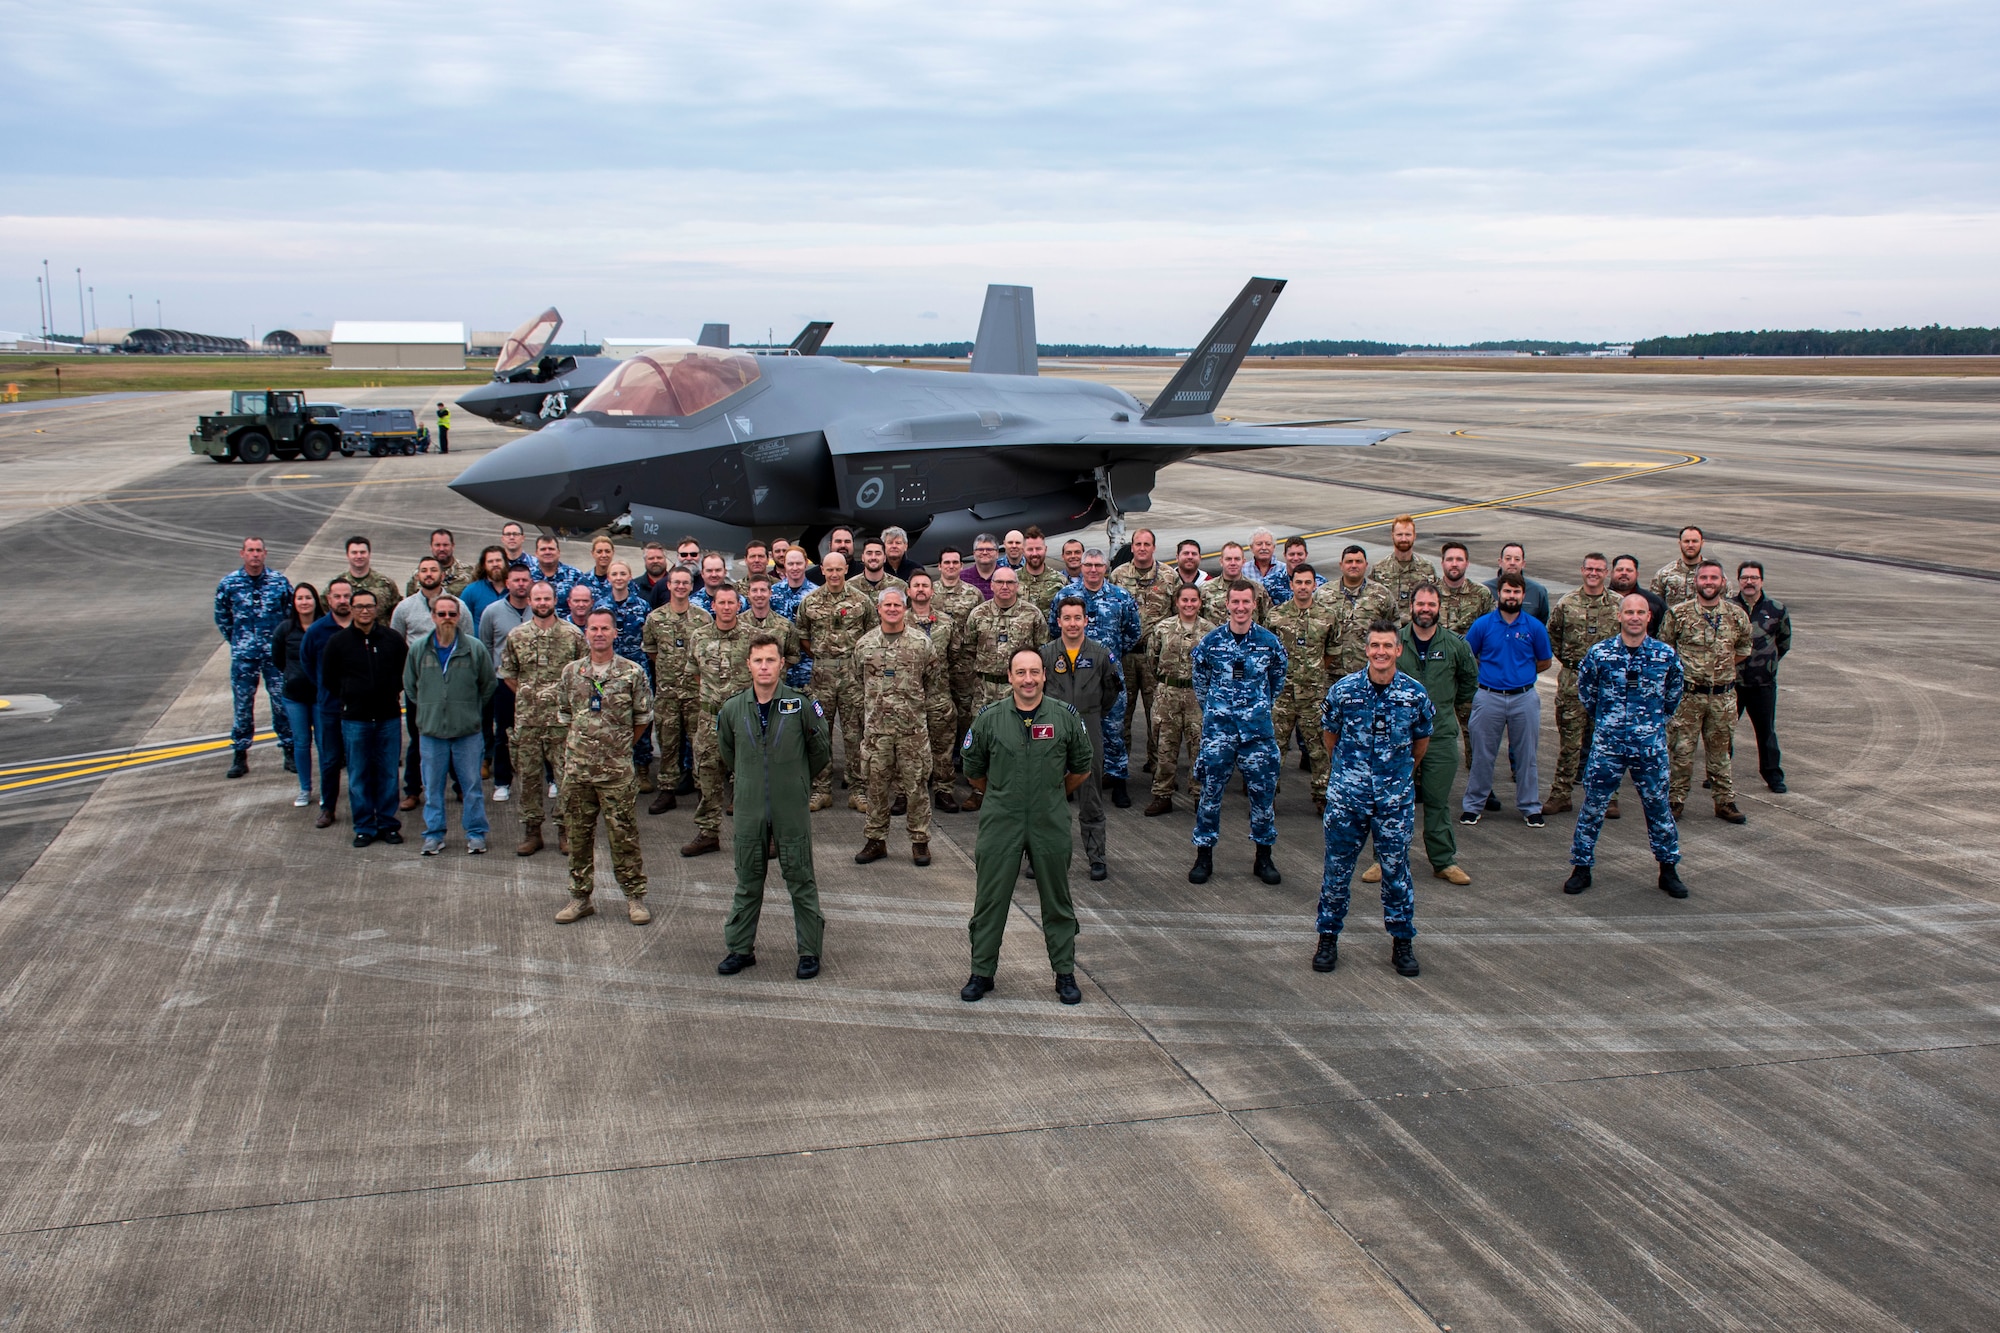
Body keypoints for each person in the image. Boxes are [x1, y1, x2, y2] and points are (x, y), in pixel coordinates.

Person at [959, 647, 1096, 1006]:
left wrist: (1051, 795)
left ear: (1044, 675)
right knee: (990, 899)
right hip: (1001, 820)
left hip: (1048, 820)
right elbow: (972, 769)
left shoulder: (1065, 716)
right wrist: (1002, 796)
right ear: (1009, 677)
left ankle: (1064, 972)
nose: (1028, 679)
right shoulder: (990, 717)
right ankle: (981, 972)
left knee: (1057, 900)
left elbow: (1082, 767)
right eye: (1020, 672)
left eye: (1034, 672)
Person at [1314, 620, 1436, 978]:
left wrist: (1395, 776)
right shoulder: (1344, 691)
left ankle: (1402, 942)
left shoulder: (1414, 695)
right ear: (1365, 650)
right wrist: (1353, 775)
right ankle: (1327, 938)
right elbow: (1329, 737)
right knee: (1337, 871)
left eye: (1388, 646)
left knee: (1396, 873)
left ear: (1398, 650)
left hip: (1394, 801)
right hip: (1348, 798)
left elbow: (1421, 742)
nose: (1380, 652)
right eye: (1374, 646)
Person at [716, 635, 833, 978]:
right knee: (747, 878)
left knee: (800, 877)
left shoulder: (801, 705)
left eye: (771, 660)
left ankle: (809, 952)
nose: (764, 667)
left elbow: (821, 750)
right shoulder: (733, 708)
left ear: (782, 664)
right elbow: (727, 751)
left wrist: (795, 780)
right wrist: (749, 779)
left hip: (789, 806)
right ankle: (740, 948)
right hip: (749, 807)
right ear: (748, 665)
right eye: (758, 661)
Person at [1564, 593, 1687, 899]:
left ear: (1649, 618)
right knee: (1593, 806)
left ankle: (1668, 868)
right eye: (1629, 612)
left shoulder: (1664, 655)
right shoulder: (1600, 654)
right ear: (1619, 616)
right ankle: (1581, 867)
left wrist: (1653, 722)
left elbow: (1674, 692)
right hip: (1609, 744)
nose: (1634, 617)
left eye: (1640, 612)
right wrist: (1609, 720)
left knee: (1658, 807)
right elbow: (1587, 691)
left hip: (1649, 745)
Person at [1365, 585, 1477, 886]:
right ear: (1411, 606)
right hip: (1397, 740)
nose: (1425, 608)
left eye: (1431, 603)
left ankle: (1443, 861)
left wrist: (1443, 707)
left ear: (1439, 607)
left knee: (1438, 801)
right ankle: (1382, 859)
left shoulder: (1454, 645)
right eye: (1420, 603)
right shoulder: (1394, 642)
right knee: (1390, 803)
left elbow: (1468, 682)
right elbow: (1374, 674)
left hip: (1439, 737)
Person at [553, 608, 655, 923]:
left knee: (623, 836)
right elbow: (565, 716)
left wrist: (619, 745)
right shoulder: (572, 672)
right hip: (579, 771)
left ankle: (635, 898)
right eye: (593, 628)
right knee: (578, 837)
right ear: (586, 632)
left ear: (614, 633)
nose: (598, 633)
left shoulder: (632, 672)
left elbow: (641, 719)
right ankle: (580, 897)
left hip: (616, 773)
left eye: (605, 628)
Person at [1188, 581, 1287, 886]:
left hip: (1257, 734)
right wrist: (1218, 710)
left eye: (1246, 602)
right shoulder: (1211, 642)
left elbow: (1277, 678)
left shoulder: (1269, 642)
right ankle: (1204, 855)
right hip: (1219, 732)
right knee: (1209, 795)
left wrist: (1257, 707)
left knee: (1263, 797)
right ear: (1227, 604)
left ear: (1254, 604)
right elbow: (1200, 680)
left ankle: (1263, 857)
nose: (1241, 607)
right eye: (1236, 602)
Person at [853, 589, 945, 865]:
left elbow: (932, 679)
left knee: (916, 787)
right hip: (877, 732)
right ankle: (875, 840)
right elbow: (858, 679)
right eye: (887, 605)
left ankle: (920, 841)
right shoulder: (865, 644)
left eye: (897, 605)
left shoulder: (921, 643)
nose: (892, 609)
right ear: (878, 609)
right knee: (876, 787)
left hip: (912, 731)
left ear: (904, 608)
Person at [1659, 559, 1754, 822]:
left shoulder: (1736, 616)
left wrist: (1717, 669)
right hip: (1688, 696)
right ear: (1696, 582)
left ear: (1723, 582)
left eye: (1714, 578)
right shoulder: (1678, 614)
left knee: (1720, 752)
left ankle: (1724, 801)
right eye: (1704, 578)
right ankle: (1675, 801)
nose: (1709, 583)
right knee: (1681, 751)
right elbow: (1665, 650)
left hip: (1722, 697)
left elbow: (1744, 649)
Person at [402, 592, 497, 855]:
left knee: (472, 787)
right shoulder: (419, 650)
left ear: (459, 617)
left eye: (451, 614)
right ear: (432, 617)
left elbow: (487, 685)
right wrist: (430, 709)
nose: (446, 618)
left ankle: (476, 833)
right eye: (441, 614)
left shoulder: (474, 648)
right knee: (432, 788)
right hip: (431, 733)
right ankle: (433, 834)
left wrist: (467, 710)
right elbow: (410, 687)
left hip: (467, 732)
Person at [1037, 596, 1122, 881]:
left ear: (1086, 621)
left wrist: (1092, 714)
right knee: (1047, 795)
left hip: (1088, 725)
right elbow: (1033, 691)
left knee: (1091, 794)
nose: (1072, 623)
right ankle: (1040, 858)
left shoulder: (1100, 654)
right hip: (1052, 727)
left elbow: (1111, 691)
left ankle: (1097, 857)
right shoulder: (1046, 654)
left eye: (1077, 618)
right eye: (1067, 618)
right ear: (1058, 621)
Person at [1050, 548, 1142, 807]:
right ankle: (1070, 780)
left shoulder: (1120, 596)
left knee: (1113, 728)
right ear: (1081, 566)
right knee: (1070, 727)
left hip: (1108, 674)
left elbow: (1133, 631)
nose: (1092, 570)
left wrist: (1110, 654)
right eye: (1088, 565)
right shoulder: (1066, 595)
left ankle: (1118, 780)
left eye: (1098, 565)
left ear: (1106, 568)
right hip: (1071, 675)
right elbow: (1053, 628)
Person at [500, 581, 586, 856]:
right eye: (537, 598)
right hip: (528, 721)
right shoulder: (517, 636)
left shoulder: (572, 635)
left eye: (546, 598)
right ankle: (532, 831)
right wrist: (532, 695)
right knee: (528, 779)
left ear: (555, 600)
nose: (542, 602)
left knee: (565, 779)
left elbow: (583, 674)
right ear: (530, 601)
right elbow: (509, 674)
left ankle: (565, 831)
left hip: (562, 722)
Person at [1460, 574, 1553, 825]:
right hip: (1488, 696)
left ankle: (1530, 806)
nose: (1511, 596)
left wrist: (1521, 674)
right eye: (1507, 591)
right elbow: (1469, 656)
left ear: (1523, 596)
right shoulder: (1482, 625)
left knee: (1526, 756)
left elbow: (1545, 660)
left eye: (1516, 592)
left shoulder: (1534, 627)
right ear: (1498, 594)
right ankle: (1474, 804)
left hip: (1524, 698)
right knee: (1482, 754)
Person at [953, 567, 1046, 810]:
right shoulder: (978, 614)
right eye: (1000, 582)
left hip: (1019, 691)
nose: (1005, 587)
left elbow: (1042, 651)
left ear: (1017, 586)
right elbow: (968, 649)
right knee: (981, 740)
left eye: (1010, 582)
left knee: (1020, 740)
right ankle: (979, 790)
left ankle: (1019, 791)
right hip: (984, 687)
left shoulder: (1032, 615)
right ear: (991, 586)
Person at [321, 589, 407, 847]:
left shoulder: (392, 639)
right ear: (352, 608)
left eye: (369, 606)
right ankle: (364, 827)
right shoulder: (338, 642)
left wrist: (390, 691)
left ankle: (387, 823)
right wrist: (351, 697)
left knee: (388, 773)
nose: (364, 611)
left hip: (388, 717)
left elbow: (404, 672)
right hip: (355, 719)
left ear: (377, 608)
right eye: (359, 606)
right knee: (358, 774)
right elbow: (329, 679)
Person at [796, 552, 879, 809]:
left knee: (855, 733)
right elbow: (803, 637)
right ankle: (821, 789)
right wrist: (824, 658)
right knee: (821, 731)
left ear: (846, 570)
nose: (834, 574)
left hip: (853, 676)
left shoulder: (861, 600)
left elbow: (871, 635)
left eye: (838, 570)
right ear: (822, 570)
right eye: (829, 569)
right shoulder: (809, 601)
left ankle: (857, 789)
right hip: (822, 675)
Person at [1543, 553, 1623, 814]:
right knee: (1570, 743)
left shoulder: (1618, 604)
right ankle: (1561, 794)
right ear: (1582, 570)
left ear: (1606, 573)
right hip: (1574, 681)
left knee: (1607, 742)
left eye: (1599, 570)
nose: (1594, 574)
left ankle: (1608, 797)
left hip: (1609, 683)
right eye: (1589, 569)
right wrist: (1570, 662)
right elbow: (1552, 636)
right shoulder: (1567, 603)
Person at [682, 585, 756, 858]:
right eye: (721, 602)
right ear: (712, 605)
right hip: (710, 718)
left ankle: (758, 834)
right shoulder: (699, 637)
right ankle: (708, 833)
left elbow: (764, 675)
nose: (726, 607)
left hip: (744, 719)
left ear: (740, 606)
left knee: (751, 779)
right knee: (708, 777)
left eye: (731, 603)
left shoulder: (753, 638)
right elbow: (695, 673)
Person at [215, 536, 295, 778]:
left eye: (259, 550)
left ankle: (289, 750)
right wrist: (240, 640)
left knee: (281, 703)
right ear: (242, 554)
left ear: (265, 553)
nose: (255, 555)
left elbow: (290, 614)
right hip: (244, 656)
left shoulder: (279, 582)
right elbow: (222, 617)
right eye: (250, 550)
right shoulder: (229, 583)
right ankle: (240, 754)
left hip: (274, 655)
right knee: (242, 706)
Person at [1266, 563, 1339, 812]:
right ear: (1291, 585)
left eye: (1308, 582)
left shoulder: (1327, 616)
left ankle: (1321, 795)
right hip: (1283, 694)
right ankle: (1268, 795)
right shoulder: (1276, 615)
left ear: (1314, 585)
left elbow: (1330, 652)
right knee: (1275, 747)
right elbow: (1268, 652)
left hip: (1313, 695)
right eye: (1299, 582)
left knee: (1318, 748)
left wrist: (1313, 672)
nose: (1303, 587)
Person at [640, 566, 711, 813]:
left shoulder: (703, 618)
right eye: (676, 582)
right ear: (668, 585)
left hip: (695, 693)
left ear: (692, 587)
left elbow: (708, 654)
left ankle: (704, 791)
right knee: (668, 744)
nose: (680, 586)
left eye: (685, 583)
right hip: (668, 693)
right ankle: (667, 791)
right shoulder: (655, 619)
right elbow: (651, 651)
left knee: (700, 744)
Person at [1141, 583, 1215, 816]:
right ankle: (1162, 795)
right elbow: (1152, 660)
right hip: (1168, 695)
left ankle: (1199, 795)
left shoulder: (1210, 631)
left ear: (1200, 603)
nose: (1189, 604)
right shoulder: (1163, 628)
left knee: (1199, 748)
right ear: (1177, 602)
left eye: (1194, 600)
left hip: (1197, 697)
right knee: (1165, 748)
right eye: (1185, 600)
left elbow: (1215, 665)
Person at [1109, 528, 1171, 773]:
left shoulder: (1168, 576)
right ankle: (1119, 770)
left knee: (1156, 715)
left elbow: (1176, 615)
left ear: (1154, 547)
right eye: (1138, 544)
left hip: (1154, 657)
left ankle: (1158, 767)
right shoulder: (1118, 575)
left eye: (1147, 544)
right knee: (1120, 715)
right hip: (1125, 656)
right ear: (1132, 547)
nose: (1142, 548)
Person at [390, 557, 449, 810]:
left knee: (455, 737)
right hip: (419, 688)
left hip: (450, 685)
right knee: (417, 740)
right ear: (417, 576)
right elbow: (395, 643)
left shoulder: (456, 606)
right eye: (424, 570)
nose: (428, 574)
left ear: (442, 575)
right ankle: (413, 791)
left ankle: (458, 787)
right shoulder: (404, 608)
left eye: (433, 569)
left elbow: (468, 639)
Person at [905, 571, 964, 812]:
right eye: (916, 585)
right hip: (908, 699)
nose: (920, 589)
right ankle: (905, 793)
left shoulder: (946, 622)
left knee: (943, 749)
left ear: (932, 591)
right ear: (908, 592)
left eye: (925, 586)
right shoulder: (899, 620)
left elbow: (955, 656)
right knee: (908, 749)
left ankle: (944, 790)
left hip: (939, 697)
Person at [1732, 561, 1792, 794]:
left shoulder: (1776, 609)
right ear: (1738, 581)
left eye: (1754, 578)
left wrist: (1767, 664)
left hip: (1762, 683)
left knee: (1766, 731)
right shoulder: (1729, 607)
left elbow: (1783, 643)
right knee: (1723, 731)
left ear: (1761, 581)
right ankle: (1717, 774)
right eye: (1745, 577)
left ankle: (1772, 774)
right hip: (1732, 683)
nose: (1749, 582)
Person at [478, 565, 534, 803]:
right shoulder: (492, 612)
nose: (521, 584)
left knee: (540, 733)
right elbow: (486, 645)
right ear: (508, 583)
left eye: (525, 580)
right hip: (504, 683)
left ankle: (549, 778)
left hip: (535, 683)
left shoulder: (539, 609)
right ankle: (502, 781)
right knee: (504, 733)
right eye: (516, 580)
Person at [300, 578, 353, 827]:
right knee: (330, 760)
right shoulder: (317, 631)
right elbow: (308, 664)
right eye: (337, 596)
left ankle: (363, 807)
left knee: (360, 761)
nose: (343, 601)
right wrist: (325, 688)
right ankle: (328, 807)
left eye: (346, 596)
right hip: (330, 708)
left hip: (360, 708)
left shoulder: (362, 626)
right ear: (328, 600)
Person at [268, 582, 325, 808]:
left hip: (321, 696)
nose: (304, 602)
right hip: (295, 697)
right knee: (301, 743)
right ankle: (304, 788)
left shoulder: (323, 627)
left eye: (308, 597)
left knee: (324, 744)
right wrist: (293, 676)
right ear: (294, 602)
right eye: (300, 598)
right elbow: (278, 660)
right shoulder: (284, 629)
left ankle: (326, 790)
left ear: (315, 600)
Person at [604, 559, 655, 788]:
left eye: (622, 573)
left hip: (637, 671)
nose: (618, 577)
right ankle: (614, 766)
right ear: (609, 578)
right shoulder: (601, 607)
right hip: (609, 672)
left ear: (629, 576)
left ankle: (642, 768)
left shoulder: (642, 606)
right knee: (611, 719)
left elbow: (650, 640)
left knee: (641, 717)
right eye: (614, 573)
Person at [1324, 545, 1396, 677]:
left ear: (1366, 565)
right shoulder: (1323, 594)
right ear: (1341, 565)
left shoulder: (1381, 595)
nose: (1354, 565)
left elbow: (1394, 630)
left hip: (1369, 674)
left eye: (1358, 561)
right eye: (1349, 561)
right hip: (1331, 675)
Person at [1369, 516, 1439, 625]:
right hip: (1389, 632)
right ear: (1392, 536)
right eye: (1399, 534)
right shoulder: (1379, 569)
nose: (1403, 539)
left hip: (1418, 630)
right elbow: (1373, 605)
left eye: (1408, 534)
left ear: (1414, 536)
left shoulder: (1427, 568)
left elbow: (1435, 601)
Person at [1201, 542, 1272, 625]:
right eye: (1228, 559)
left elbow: (1267, 620)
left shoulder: (1257, 589)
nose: (1233, 563)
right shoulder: (1205, 589)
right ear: (1221, 561)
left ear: (1243, 561)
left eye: (1237, 559)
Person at [1484, 543, 1551, 625]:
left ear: (1523, 564)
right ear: (1500, 562)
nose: (1512, 563)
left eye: (1517, 559)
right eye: (1508, 558)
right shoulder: (1485, 590)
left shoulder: (1538, 591)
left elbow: (1543, 622)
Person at [339, 535, 401, 618]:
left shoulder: (386, 584)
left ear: (369, 554)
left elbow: (398, 613)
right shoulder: (337, 585)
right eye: (354, 553)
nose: (359, 556)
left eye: (362, 552)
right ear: (347, 555)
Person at [459, 546, 511, 642]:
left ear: (506, 563)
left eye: (498, 560)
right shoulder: (471, 591)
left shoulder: (515, 589)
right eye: (490, 561)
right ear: (484, 565)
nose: (495, 564)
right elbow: (461, 620)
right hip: (481, 650)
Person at [1609, 555, 1667, 637]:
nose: (1624, 573)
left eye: (1629, 570)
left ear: (1637, 574)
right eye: (1620, 570)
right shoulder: (1601, 600)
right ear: (1611, 573)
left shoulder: (1654, 602)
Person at [406, 528, 471, 597]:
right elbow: (410, 600)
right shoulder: (419, 574)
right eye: (437, 545)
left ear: (452, 546)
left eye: (445, 545)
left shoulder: (467, 572)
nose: (441, 549)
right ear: (431, 547)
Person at [1652, 525, 1706, 607]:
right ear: (1680, 543)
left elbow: (1727, 603)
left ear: (1702, 543)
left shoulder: (1714, 573)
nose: (1690, 545)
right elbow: (1654, 606)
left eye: (1695, 541)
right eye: (1686, 541)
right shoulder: (1664, 573)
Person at [1017, 527, 1066, 610]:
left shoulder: (1060, 580)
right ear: (1023, 550)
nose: (1034, 553)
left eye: (1038, 549)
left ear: (1045, 549)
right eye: (1030, 549)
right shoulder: (1013, 580)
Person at [852, 538, 909, 605]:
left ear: (884, 558)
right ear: (863, 557)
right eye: (869, 553)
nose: (873, 557)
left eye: (878, 553)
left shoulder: (900, 586)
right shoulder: (850, 586)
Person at [531, 536, 585, 605]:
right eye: (543, 549)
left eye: (551, 549)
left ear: (558, 552)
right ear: (536, 553)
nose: (547, 552)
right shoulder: (527, 576)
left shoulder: (575, 575)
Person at [1248, 528, 1289, 604]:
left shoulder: (1285, 569)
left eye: (1268, 544)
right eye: (1259, 544)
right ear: (1251, 547)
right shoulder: (1243, 570)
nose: (1264, 548)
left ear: (1274, 547)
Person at [577, 535, 618, 605]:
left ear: (613, 552)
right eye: (599, 552)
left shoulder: (621, 580)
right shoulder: (583, 581)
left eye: (607, 551)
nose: (604, 555)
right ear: (593, 553)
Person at [962, 532, 1002, 598]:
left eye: (989, 549)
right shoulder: (962, 577)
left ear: (997, 553)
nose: (985, 553)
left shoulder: (1006, 576)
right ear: (974, 553)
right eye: (980, 549)